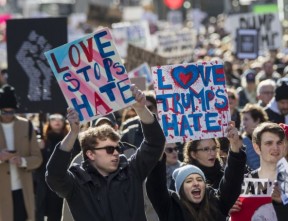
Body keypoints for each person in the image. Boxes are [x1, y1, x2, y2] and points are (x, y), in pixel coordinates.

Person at [46, 85, 165, 221]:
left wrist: (140, 108)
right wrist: (73, 133)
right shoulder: (77, 182)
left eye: (117, 148)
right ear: (90, 154)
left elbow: (155, 143)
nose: (116, 153)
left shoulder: (132, 171)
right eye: (109, 149)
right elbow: (54, 176)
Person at [146, 123, 246, 221]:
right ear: (180, 189)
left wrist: (234, 145)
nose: (195, 183)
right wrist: (158, 145)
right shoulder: (171, 209)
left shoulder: (216, 205)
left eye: (199, 179)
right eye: (189, 181)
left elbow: (232, 181)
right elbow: (156, 185)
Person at [0, 84, 43, 221]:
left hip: (22, 190)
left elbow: (37, 158)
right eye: (4, 112)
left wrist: (22, 161)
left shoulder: (27, 126)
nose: (8, 115)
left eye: (11, 112)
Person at [34, 114, 69, 221]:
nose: (57, 122)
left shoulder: (70, 140)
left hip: (64, 180)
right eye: (53, 119)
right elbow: (38, 162)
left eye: (60, 119)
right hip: (46, 183)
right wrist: (38, 148)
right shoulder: (43, 141)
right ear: (49, 122)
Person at [240, 103, 268, 170]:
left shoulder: (268, 138)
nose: (243, 123)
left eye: (246, 119)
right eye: (242, 119)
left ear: (257, 120)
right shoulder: (243, 140)